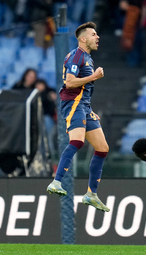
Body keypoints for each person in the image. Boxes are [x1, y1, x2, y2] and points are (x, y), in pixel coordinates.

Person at [46, 22, 110, 212]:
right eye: (93, 34)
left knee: (102, 148)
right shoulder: (76, 56)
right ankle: (56, 182)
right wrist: (94, 77)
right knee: (77, 140)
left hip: (84, 106)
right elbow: (70, 82)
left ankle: (91, 194)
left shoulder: (87, 58)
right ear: (83, 39)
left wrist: (89, 107)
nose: (97, 37)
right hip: (73, 104)